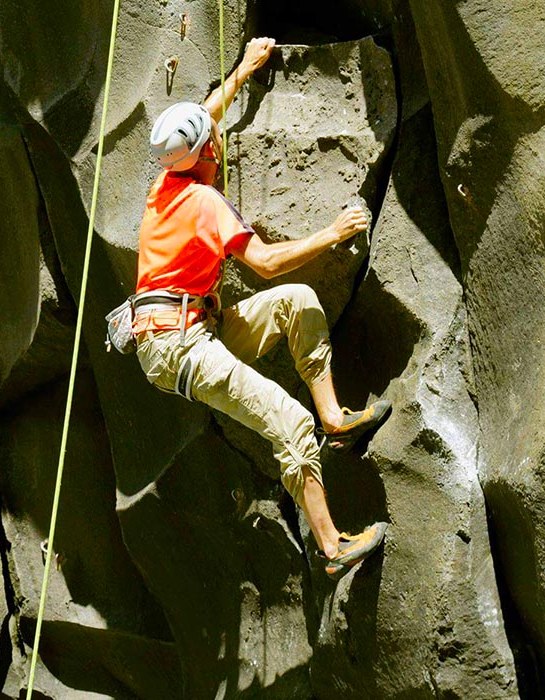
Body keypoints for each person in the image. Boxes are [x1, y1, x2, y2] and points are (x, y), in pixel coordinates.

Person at [134, 37, 390, 577]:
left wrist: (246, 68)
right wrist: (332, 233)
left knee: (299, 303)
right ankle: (332, 548)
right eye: (214, 142)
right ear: (207, 154)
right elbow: (266, 263)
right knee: (287, 421)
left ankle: (335, 418)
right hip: (180, 343)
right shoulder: (204, 202)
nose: (218, 140)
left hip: (191, 327)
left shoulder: (166, 180)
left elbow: (206, 111)